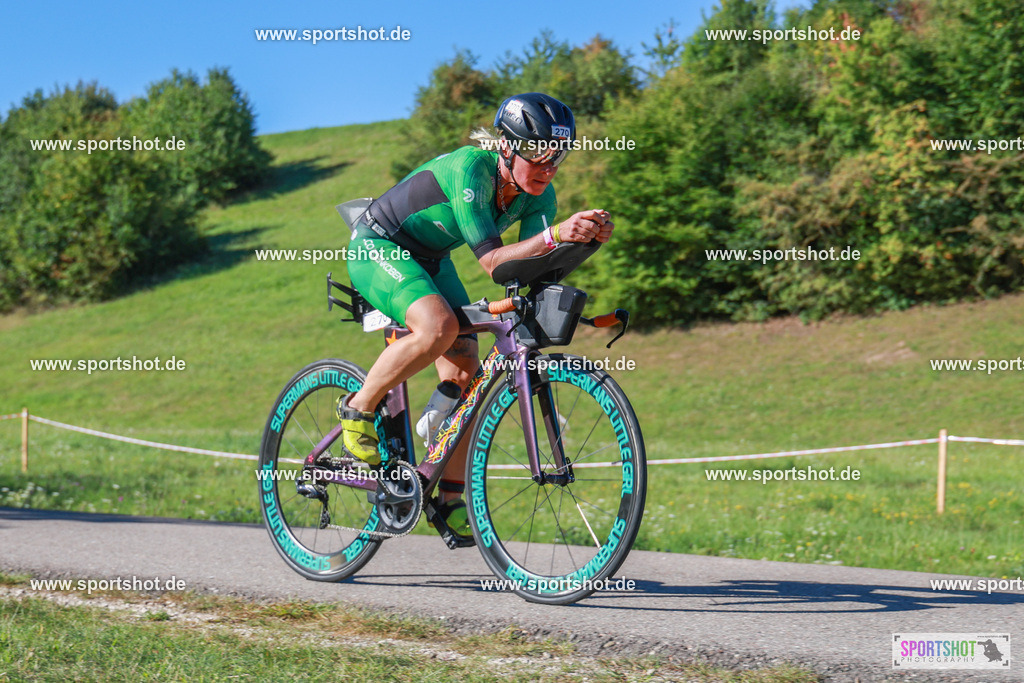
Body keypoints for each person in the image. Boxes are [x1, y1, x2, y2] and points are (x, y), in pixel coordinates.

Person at [336, 92, 613, 540]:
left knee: (467, 371)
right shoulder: (471, 171)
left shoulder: (539, 195)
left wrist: (583, 243)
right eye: (538, 153)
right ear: (507, 147)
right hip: (379, 246)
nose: (548, 166)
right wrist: (557, 234)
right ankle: (357, 408)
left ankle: (446, 495)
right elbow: (496, 265)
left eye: (557, 155)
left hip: (430, 258)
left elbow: (533, 270)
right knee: (438, 327)